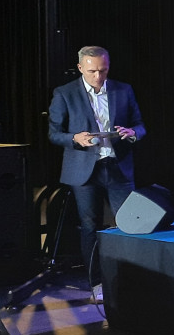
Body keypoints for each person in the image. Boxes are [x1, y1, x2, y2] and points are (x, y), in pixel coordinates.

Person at [48, 46, 145, 266]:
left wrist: (132, 133)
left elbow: (140, 126)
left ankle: (130, 274)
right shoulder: (65, 93)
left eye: (103, 70)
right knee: (90, 224)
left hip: (117, 167)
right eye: (92, 71)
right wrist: (75, 138)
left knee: (130, 222)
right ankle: (96, 280)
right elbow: (54, 134)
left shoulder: (123, 90)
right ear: (81, 68)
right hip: (84, 169)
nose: (98, 76)